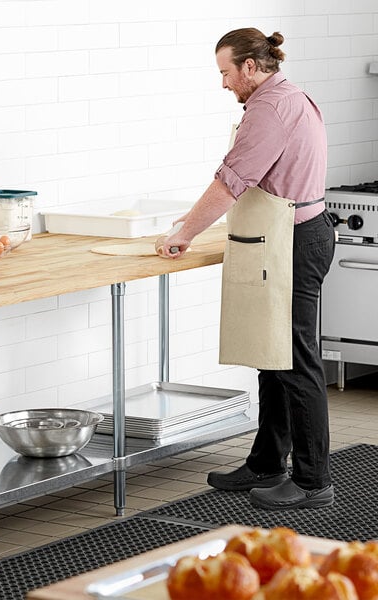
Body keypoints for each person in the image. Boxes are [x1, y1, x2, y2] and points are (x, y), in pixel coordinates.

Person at [159, 28, 336, 510]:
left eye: (225, 72)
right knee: (271, 354)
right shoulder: (289, 97)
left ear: (250, 68)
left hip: (293, 241)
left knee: (296, 361)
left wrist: (185, 233)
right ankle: (266, 462)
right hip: (293, 234)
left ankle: (313, 481)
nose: (223, 83)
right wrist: (192, 220)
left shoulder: (268, 109)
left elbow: (232, 181)